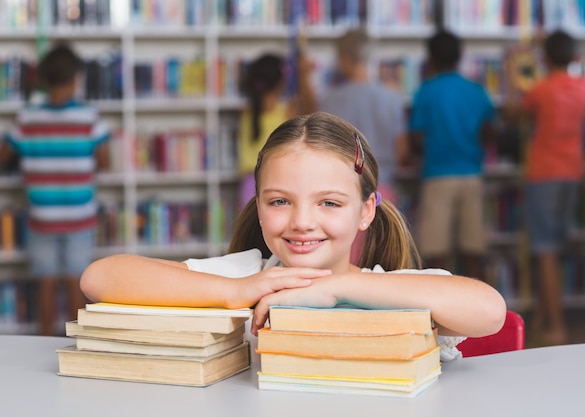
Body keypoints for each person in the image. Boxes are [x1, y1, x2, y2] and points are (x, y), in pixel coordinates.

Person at [81, 111, 507, 362]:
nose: (302, 222)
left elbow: (489, 311)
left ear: (366, 211)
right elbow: (99, 278)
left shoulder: (389, 289)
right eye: (280, 202)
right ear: (259, 205)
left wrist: (337, 289)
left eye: (330, 203)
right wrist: (235, 292)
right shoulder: (247, 276)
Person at [0, 43, 110, 335]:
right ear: (76, 78)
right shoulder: (88, 117)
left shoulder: (27, 117)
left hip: (41, 216)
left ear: (44, 79)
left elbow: (4, 155)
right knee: (77, 282)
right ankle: (77, 342)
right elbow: (104, 160)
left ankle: (44, 338)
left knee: (45, 283)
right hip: (79, 214)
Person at [505, 30, 585, 345]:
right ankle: (543, 314)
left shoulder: (541, 90)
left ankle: (557, 325)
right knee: (556, 246)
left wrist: (514, 76)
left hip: (545, 174)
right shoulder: (584, 86)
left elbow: (514, 115)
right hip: (573, 173)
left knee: (545, 250)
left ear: (545, 58)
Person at [405, 30, 496, 279]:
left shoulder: (426, 91)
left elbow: (415, 137)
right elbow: (490, 133)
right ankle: (478, 311)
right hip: (471, 175)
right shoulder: (475, 91)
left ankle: (437, 314)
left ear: (430, 59)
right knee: (473, 250)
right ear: (460, 56)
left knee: (435, 253)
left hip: (437, 175)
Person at [317, 28, 408, 264]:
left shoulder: (331, 100)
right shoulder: (391, 99)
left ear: (345, 59)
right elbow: (402, 152)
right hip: (384, 193)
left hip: (343, 196)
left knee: (346, 266)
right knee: (384, 265)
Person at [237, 52, 314, 210]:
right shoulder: (287, 112)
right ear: (281, 82)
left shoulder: (246, 112)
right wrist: (304, 75)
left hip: (247, 186)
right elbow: (312, 109)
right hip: (276, 181)